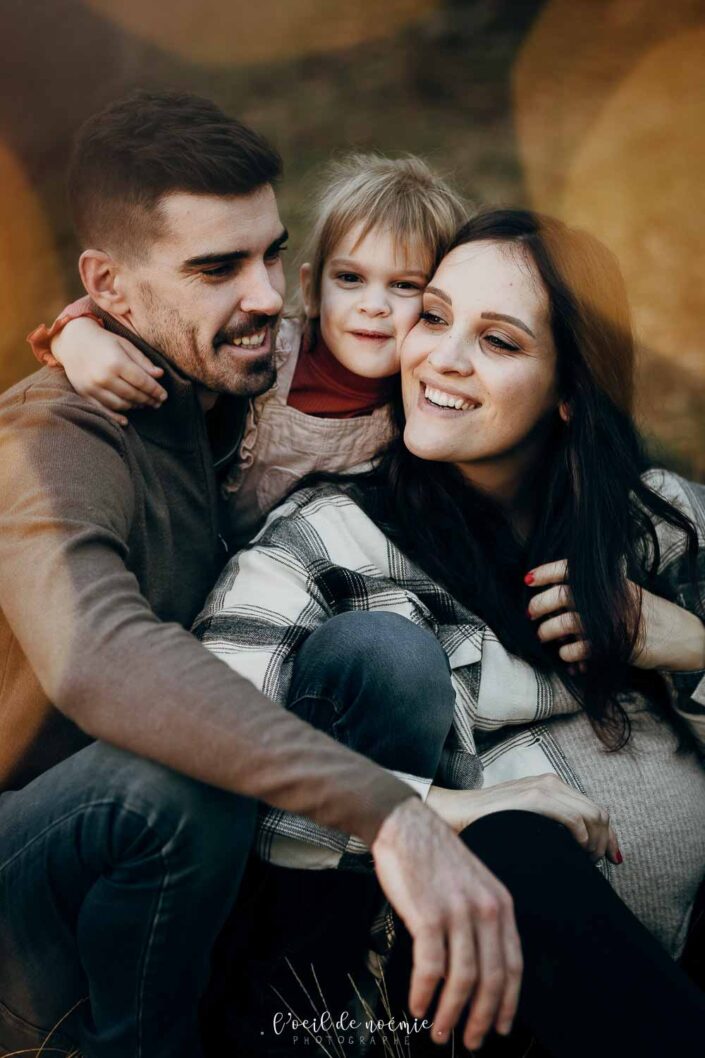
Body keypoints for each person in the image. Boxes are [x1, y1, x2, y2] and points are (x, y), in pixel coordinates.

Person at [0, 92, 522, 1058]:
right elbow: (96, 656)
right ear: (109, 286)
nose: (271, 297)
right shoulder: (52, 437)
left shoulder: (216, 383)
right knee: (165, 781)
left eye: (272, 253)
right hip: (31, 882)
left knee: (381, 654)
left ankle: (284, 1014)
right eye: (216, 268)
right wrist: (387, 806)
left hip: (181, 873)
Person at [191, 208, 705, 1055]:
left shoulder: (657, 523)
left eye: (498, 341)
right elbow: (209, 739)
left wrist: (683, 643)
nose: (440, 357)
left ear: (571, 392)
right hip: (435, 1000)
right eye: (432, 317)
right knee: (514, 845)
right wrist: (446, 811)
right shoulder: (333, 538)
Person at [27, 152, 468, 549]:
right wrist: (77, 332)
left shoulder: (428, 403)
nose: (373, 306)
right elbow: (155, 322)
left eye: (405, 285)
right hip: (196, 568)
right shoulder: (263, 353)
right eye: (350, 279)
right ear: (311, 290)